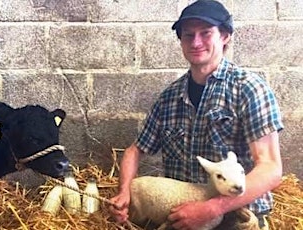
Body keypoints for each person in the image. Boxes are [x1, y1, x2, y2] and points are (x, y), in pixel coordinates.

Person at [108, 0, 284, 229]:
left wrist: (212, 208)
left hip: (234, 213)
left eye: (206, 33)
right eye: (188, 35)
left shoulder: (248, 89)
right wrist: (124, 194)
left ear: (225, 36)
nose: (196, 42)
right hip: (179, 212)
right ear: (181, 41)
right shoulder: (169, 98)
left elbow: (270, 168)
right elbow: (135, 150)